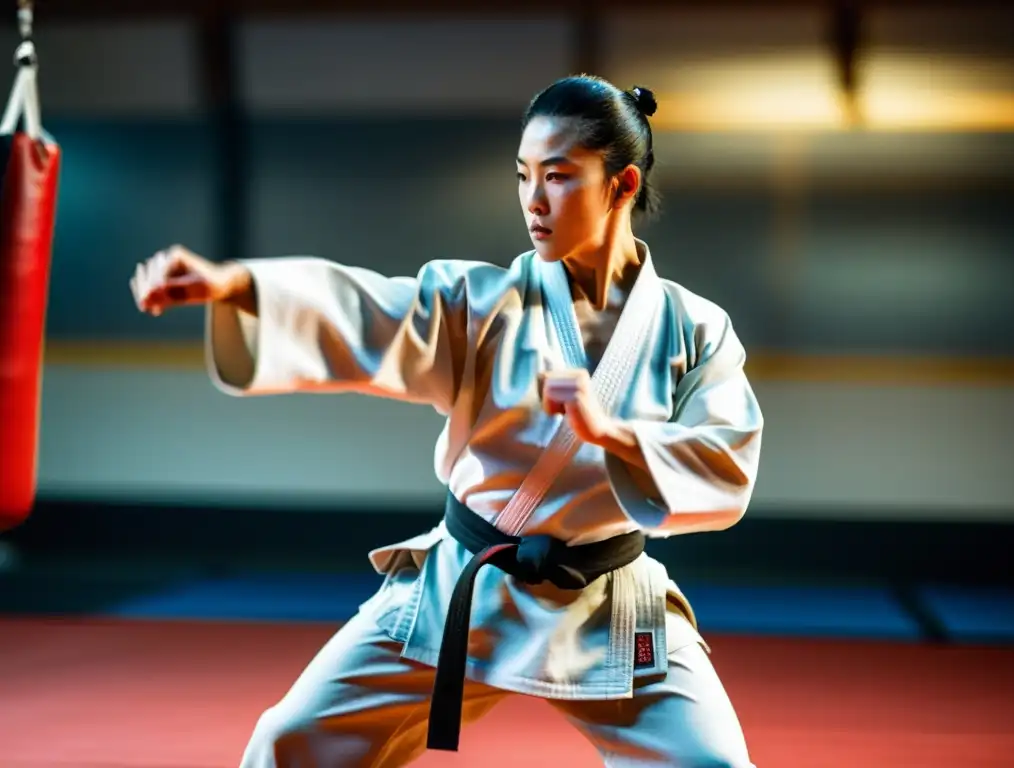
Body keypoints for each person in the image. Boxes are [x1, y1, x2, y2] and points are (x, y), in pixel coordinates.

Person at [130, 75, 764, 768]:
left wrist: (609, 431)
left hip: (607, 604)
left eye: (557, 177)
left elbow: (724, 459)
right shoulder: (480, 302)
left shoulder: (694, 328)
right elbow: (370, 311)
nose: (533, 200)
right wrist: (241, 287)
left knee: (715, 767)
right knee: (292, 740)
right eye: (522, 176)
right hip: (467, 585)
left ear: (620, 184)